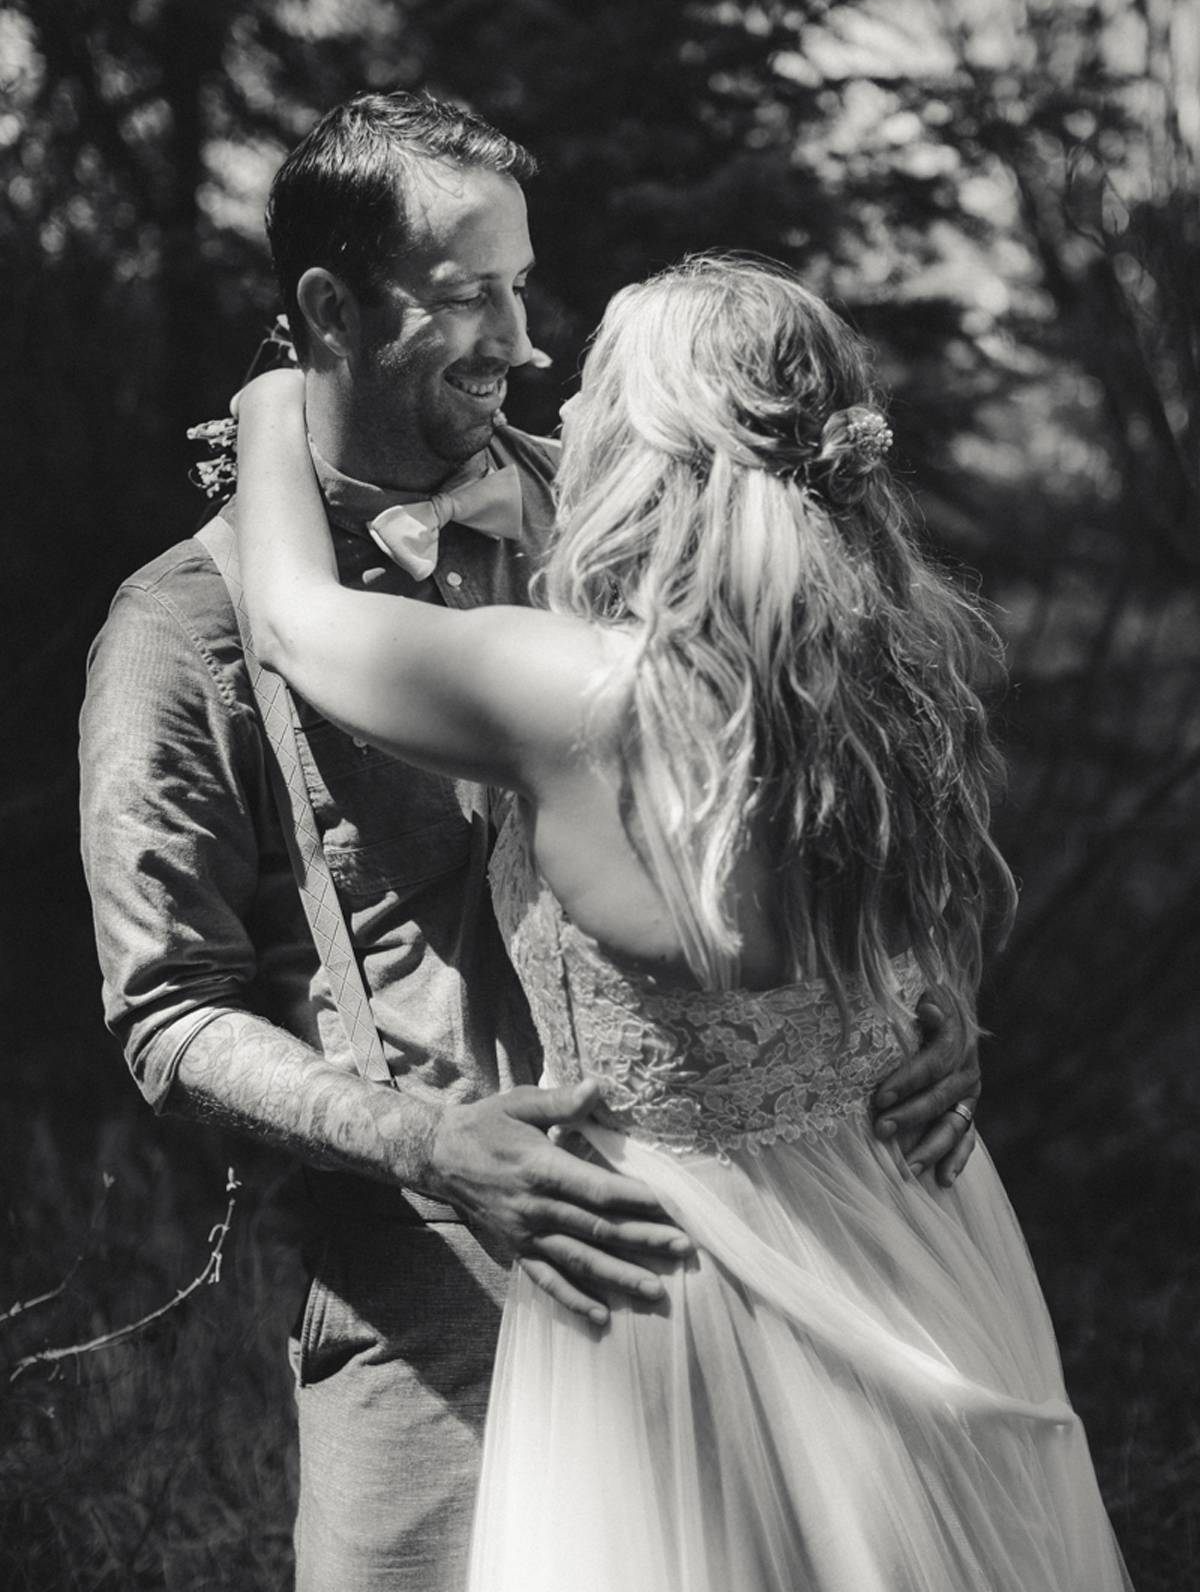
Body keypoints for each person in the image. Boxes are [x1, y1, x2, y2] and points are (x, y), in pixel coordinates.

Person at [79, 92, 984, 1592]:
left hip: (742, 1275)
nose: (524, 339)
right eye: (467, 294)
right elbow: (167, 1009)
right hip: (427, 1300)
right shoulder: (183, 631)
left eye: (523, 282)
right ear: (327, 306)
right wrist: (428, 1140)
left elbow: (824, 785)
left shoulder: (629, 509)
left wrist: (915, 991)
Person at [235, 249, 1132, 1592]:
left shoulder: (573, 695)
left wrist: (268, 407)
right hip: (912, 1219)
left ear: (653, 449)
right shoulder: (886, 664)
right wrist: (937, 1007)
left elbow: (299, 626)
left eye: (596, 386)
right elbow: (901, 925)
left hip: (679, 1277)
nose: (566, 406)